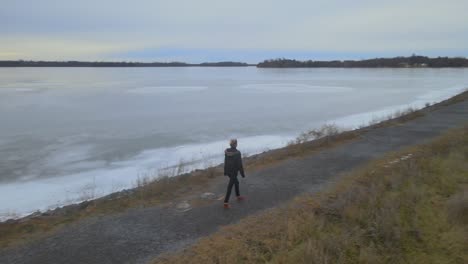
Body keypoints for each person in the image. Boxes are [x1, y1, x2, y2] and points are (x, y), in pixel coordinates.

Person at [223, 139, 246, 208]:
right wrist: (242, 174)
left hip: (228, 171)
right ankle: (225, 202)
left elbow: (225, 162)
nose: (237, 144)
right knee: (230, 186)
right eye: (236, 143)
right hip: (233, 172)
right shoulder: (237, 152)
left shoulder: (227, 151)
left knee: (236, 182)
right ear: (235, 144)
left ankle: (238, 196)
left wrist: (225, 171)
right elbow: (239, 164)